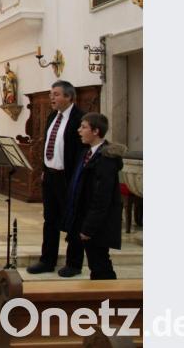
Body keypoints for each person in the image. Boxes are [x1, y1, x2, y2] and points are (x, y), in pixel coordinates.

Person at [27, 80, 85, 276]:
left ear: (69, 97)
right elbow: (48, 144)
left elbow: (80, 151)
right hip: (51, 176)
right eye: (51, 94)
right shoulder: (53, 116)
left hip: (68, 178)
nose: (52, 97)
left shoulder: (80, 118)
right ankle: (47, 260)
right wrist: (45, 168)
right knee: (50, 219)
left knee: (74, 221)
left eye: (56, 94)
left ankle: (74, 263)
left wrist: (76, 178)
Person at [65, 113, 125, 280]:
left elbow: (102, 198)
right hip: (85, 216)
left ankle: (108, 294)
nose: (79, 130)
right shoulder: (87, 153)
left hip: (98, 223)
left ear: (96, 131)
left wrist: (88, 228)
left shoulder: (106, 160)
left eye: (84, 127)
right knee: (95, 263)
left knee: (100, 264)